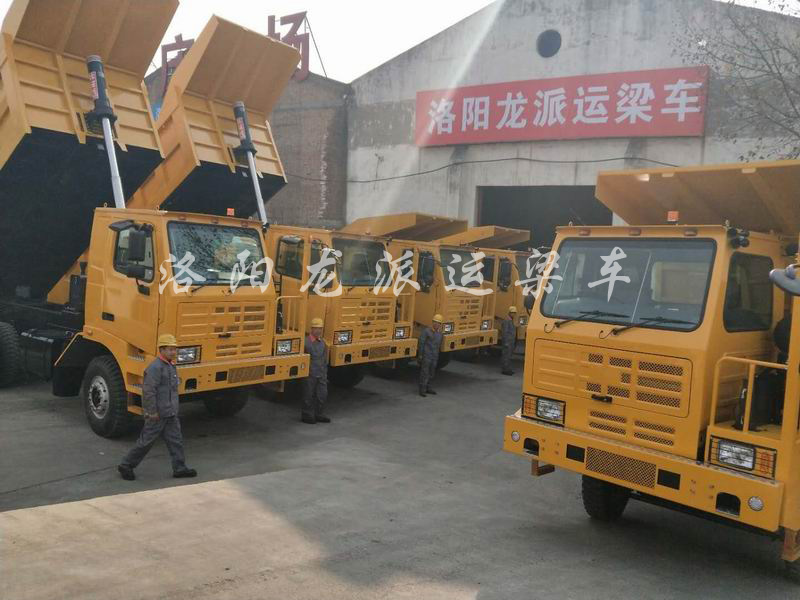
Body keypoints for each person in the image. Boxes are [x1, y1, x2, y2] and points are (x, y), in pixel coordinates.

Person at [118, 334, 196, 481]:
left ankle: (179, 468)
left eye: (174, 349)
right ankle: (126, 465)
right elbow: (148, 391)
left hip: (170, 413)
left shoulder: (170, 365)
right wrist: (151, 411)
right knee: (146, 442)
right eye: (170, 349)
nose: (173, 352)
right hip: (158, 414)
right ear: (161, 350)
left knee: (176, 441)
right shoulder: (155, 368)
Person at [302, 317, 330, 424]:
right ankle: (307, 415)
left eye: (320, 328)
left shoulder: (323, 343)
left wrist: (324, 373)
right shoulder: (305, 343)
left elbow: (324, 359)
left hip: (321, 374)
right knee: (308, 395)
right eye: (316, 328)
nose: (318, 331)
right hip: (310, 374)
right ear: (311, 329)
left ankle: (319, 414)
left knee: (322, 394)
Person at [418, 314, 444, 397]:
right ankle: (422, 390)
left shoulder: (440, 333)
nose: (436, 324)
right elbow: (421, 343)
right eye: (435, 322)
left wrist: (437, 355)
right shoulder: (426, 331)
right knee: (424, 373)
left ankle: (428, 388)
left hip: (434, 356)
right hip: (427, 355)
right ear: (432, 322)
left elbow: (439, 345)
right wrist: (420, 355)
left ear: (440, 324)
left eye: (438, 323)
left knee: (432, 372)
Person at [501, 306, 518, 376]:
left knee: (509, 356)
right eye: (512, 313)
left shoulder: (511, 320)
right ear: (509, 313)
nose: (513, 314)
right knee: (506, 356)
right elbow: (504, 332)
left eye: (514, 313)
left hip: (511, 341)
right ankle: (505, 370)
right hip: (508, 341)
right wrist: (506, 342)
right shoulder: (507, 321)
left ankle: (508, 369)